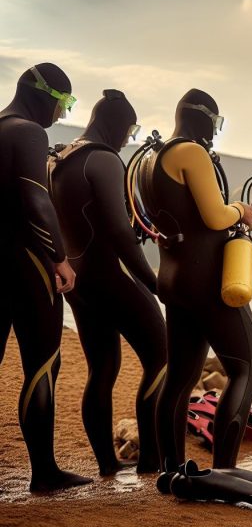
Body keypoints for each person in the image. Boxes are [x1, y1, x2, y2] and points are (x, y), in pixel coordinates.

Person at [136, 88, 252, 472]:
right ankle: (225, 471)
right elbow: (214, 216)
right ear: (205, 118)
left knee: (180, 377)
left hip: (173, 278)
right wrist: (242, 209)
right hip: (205, 279)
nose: (215, 131)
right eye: (216, 122)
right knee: (248, 367)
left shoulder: (150, 158)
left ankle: (172, 469)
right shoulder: (190, 152)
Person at [49, 90, 168, 475]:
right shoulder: (103, 159)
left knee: (102, 370)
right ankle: (151, 459)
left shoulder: (61, 158)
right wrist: (153, 283)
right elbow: (119, 231)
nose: (129, 138)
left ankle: (107, 465)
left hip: (79, 286)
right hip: (108, 276)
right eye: (130, 128)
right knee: (161, 358)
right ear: (116, 123)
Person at [0, 63, 92, 491]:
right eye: (64, 101)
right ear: (44, 94)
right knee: (41, 364)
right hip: (25, 263)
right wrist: (59, 258)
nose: (63, 113)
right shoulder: (28, 132)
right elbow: (36, 201)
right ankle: (44, 473)